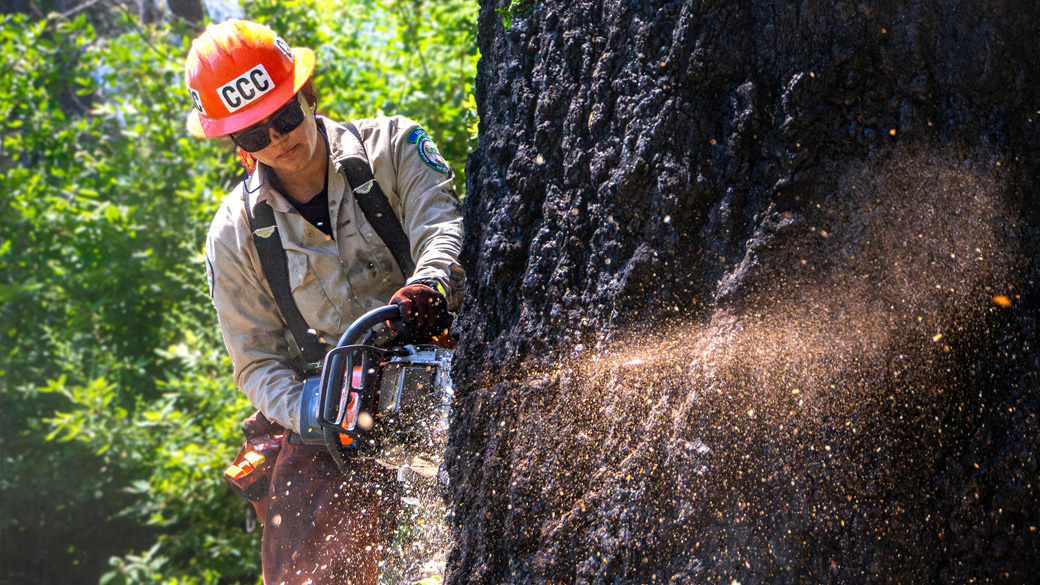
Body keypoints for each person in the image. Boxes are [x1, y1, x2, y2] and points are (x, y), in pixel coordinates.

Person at [183, 19, 463, 585]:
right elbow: (257, 363)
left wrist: (431, 286)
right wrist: (316, 414)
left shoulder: (392, 147)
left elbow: (443, 227)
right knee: (303, 568)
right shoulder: (234, 234)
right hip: (333, 408)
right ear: (236, 143)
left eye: (284, 116)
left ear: (307, 95)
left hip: (447, 356)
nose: (277, 139)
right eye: (254, 134)